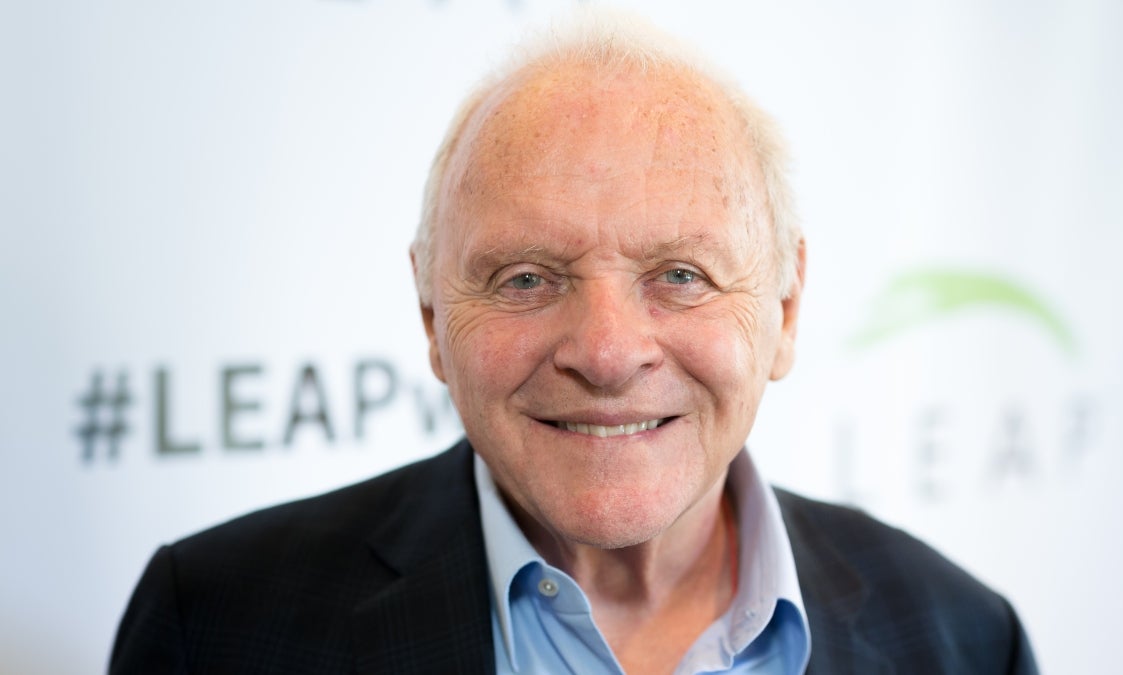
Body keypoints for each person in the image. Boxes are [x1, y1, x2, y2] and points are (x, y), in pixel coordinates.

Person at [111, 11, 1038, 675]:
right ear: (432, 317)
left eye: (680, 274)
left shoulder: (963, 639)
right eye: (527, 279)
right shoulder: (217, 625)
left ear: (784, 310)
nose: (605, 352)